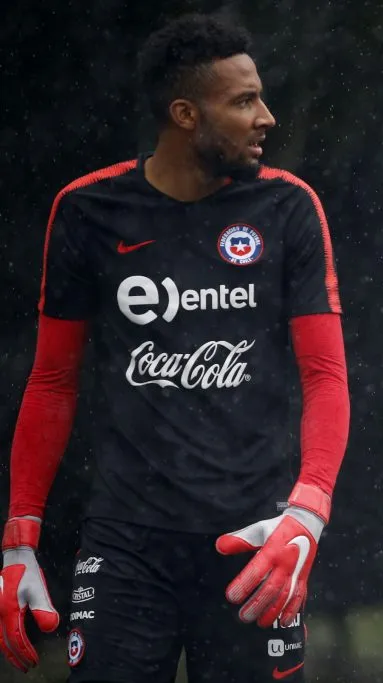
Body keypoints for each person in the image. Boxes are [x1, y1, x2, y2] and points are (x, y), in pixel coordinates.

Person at [0, 13, 349, 682]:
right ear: (186, 113)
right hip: (126, 543)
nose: (266, 117)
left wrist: (308, 510)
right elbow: (51, 382)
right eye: (244, 100)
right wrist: (20, 539)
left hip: (255, 539)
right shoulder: (86, 209)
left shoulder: (288, 207)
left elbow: (326, 373)